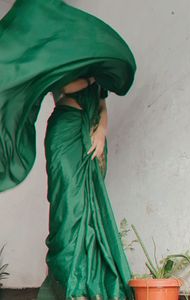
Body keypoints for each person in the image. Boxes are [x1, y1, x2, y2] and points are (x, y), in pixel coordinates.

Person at [0, 0, 136, 299]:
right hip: (64, 131)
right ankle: (68, 285)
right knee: (67, 206)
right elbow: (66, 86)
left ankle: (92, 286)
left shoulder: (91, 64)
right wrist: (90, 77)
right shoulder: (55, 61)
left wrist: (101, 132)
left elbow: (101, 103)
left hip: (90, 132)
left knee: (91, 208)